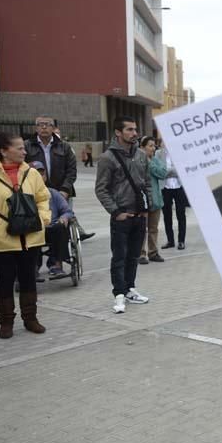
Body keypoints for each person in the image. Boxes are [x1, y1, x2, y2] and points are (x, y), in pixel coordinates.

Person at [0, 133, 51, 338]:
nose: (24, 151)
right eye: (19, 148)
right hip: (0, 240)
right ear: (4, 151)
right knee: (5, 280)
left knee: (28, 278)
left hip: (31, 237)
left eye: (23, 148)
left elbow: (42, 198)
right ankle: (6, 322)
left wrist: (43, 217)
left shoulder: (31, 173)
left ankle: (30, 319)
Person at [95, 117, 151, 314]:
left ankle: (129, 289)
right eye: (129, 129)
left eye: (135, 129)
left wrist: (147, 208)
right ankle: (119, 294)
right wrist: (116, 212)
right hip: (122, 216)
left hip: (139, 215)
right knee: (120, 256)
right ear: (118, 132)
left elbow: (147, 182)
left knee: (134, 255)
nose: (134, 133)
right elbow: (101, 189)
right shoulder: (107, 158)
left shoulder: (141, 155)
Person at [24, 115, 93, 244]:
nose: (44, 127)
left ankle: (59, 255)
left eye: (47, 124)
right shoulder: (27, 146)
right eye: (40, 124)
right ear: (36, 127)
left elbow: (71, 170)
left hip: (61, 190)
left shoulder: (64, 146)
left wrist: (65, 189)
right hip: (36, 192)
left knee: (63, 219)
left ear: (53, 128)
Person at [30, 161, 74, 280]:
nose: (40, 177)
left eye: (42, 174)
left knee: (61, 227)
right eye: (36, 174)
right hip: (32, 229)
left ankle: (56, 264)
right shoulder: (24, 195)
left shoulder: (53, 193)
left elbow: (67, 211)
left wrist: (64, 217)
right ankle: (33, 267)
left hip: (52, 228)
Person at [156, 133, 188, 251]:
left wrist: (167, 171)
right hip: (165, 189)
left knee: (181, 214)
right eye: (164, 141)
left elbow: (183, 169)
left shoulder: (181, 153)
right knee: (167, 215)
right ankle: (170, 240)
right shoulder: (158, 154)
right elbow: (160, 171)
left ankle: (181, 241)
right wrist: (172, 171)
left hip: (179, 187)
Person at [138, 137, 166, 264]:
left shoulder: (155, 160)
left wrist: (150, 162)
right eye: (150, 146)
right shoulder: (137, 160)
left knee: (153, 228)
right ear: (142, 147)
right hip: (142, 199)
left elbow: (162, 173)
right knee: (142, 229)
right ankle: (141, 254)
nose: (153, 148)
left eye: (154, 146)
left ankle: (153, 252)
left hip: (155, 199)